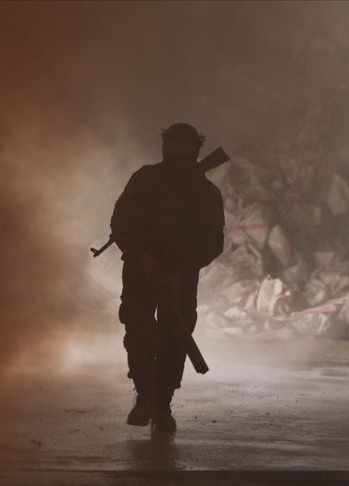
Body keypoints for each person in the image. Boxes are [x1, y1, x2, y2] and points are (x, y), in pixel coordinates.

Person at [110, 122, 224, 432]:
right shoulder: (145, 180)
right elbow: (120, 223)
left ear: (194, 151)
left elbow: (213, 241)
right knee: (138, 333)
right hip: (140, 272)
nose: (174, 153)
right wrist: (140, 256)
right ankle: (146, 395)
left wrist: (183, 270)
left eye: (181, 148)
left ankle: (163, 405)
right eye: (170, 146)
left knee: (175, 338)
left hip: (180, 277)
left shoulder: (204, 192)